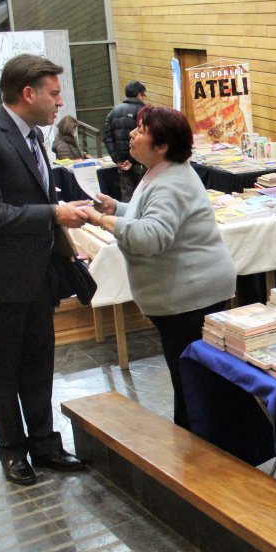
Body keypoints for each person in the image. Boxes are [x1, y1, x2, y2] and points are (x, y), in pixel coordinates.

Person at [0, 54, 91, 486]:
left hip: (35, 278)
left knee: (39, 365)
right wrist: (53, 214)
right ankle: (13, 451)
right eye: (53, 93)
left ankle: (46, 444)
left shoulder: (33, 137)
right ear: (28, 93)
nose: (59, 102)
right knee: (4, 372)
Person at [83, 106, 236, 430]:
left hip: (190, 295)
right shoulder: (161, 171)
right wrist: (119, 208)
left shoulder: (170, 180)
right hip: (180, 294)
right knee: (187, 378)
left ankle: (200, 454)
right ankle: (195, 443)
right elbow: (150, 215)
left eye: (141, 129)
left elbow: (151, 236)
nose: (132, 135)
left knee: (191, 384)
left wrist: (102, 220)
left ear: (162, 145)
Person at [103, 80, 147, 200]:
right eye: (143, 95)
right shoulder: (144, 111)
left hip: (122, 164)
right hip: (141, 162)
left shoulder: (113, 111)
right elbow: (147, 138)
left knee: (127, 196)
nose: (143, 98)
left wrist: (118, 160)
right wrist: (132, 160)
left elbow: (107, 137)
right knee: (143, 196)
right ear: (139, 94)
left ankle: (126, 218)